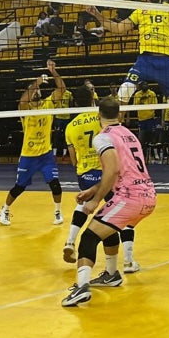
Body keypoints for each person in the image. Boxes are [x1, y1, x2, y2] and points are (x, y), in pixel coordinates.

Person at [86, 0, 169, 172]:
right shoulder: (139, 11)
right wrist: (98, 16)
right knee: (123, 93)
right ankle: (111, 138)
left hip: (166, 61)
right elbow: (119, 29)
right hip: (145, 60)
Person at [62, 96, 157, 308]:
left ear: (98, 116)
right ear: (120, 114)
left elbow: (112, 169)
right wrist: (94, 190)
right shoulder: (129, 134)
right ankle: (112, 274)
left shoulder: (103, 137)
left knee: (88, 237)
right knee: (107, 226)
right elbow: (122, 171)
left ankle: (81, 288)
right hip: (148, 195)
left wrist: (94, 200)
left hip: (130, 197)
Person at [63, 82, 140, 273]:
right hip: (107, 176)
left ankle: (70, 241)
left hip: (84, 174)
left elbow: (72, 160)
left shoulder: (70, 126)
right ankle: (128, 260)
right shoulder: (100, 118)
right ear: (92, 99)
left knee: (84, 206)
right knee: (120, 216)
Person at [0, 61, 65, 227]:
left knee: (55, 184)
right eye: (34, 90)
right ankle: (4, 209)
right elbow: (22, 101)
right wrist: (36, 82)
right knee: (19, 187)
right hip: (28, 155)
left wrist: (53, 72)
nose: (36, 92)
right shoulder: (25, 109)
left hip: (46, 155)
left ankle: (57, 211)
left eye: (38, 90)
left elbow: (61, 90)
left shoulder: (48, 104)